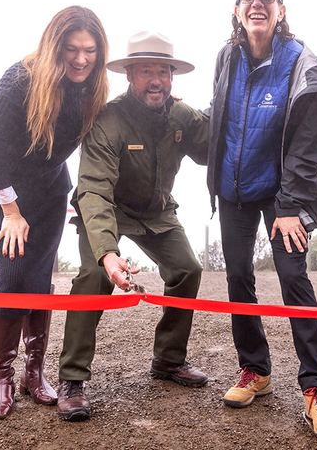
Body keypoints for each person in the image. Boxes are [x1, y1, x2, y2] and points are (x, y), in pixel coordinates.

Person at [205, 0, 317, 440]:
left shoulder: (302, 61)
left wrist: (289, 204)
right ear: (237, 11)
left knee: (292, 277)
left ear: (281, 10)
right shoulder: (227, 55)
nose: (257, 4)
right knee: (238, 278)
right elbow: (220, 117)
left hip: (283, 196)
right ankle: (255, 371)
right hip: (234, 191)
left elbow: (309, 144)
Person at [56, 31, 209, 422]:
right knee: (93, 276)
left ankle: (169, 360)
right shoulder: (107, 120)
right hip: (109, 209)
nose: (155, 79)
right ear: (130, 76)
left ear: (172, 77)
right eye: (145, 71)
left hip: (157, 211)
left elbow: (213, 145)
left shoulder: (181, 115)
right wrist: (107, 253)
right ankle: (72, 379)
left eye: (162, 71)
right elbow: (93, 191)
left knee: (188, 269)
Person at [0, 5, 110, 420]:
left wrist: (155, 100)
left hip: (51, 193)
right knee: (14, 275)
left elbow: (116, 119)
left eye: (90, 50)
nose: (81, 58)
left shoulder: (91, 87)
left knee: (39, 279)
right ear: (56, 46)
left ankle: (35, 374)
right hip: (5, 194)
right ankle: (2, 378)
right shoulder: (20, 80)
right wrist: (11, 211)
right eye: (72, 49)